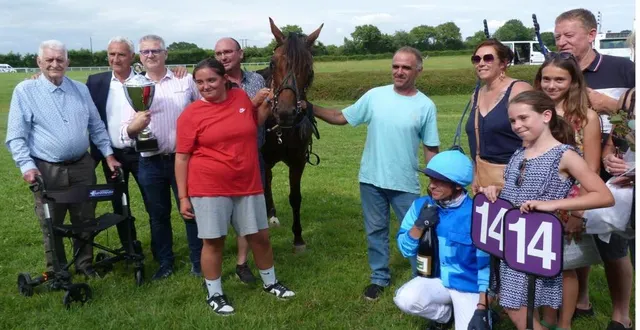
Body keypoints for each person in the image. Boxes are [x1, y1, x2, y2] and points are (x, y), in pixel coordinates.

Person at [309, 46, 441, 301]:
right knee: (375, 231)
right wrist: (310, 108)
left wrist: (435, 181)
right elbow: (340, 117)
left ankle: (421, 281)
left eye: (406, 67)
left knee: (419, 231)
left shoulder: (426, 105)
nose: (399, 72)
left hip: (405, 183)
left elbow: (431, 147)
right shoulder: (375, 96)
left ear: (418, 71)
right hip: (371, 180)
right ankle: (379, 278)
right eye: (395, 66)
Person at [480, 90, 614, 330]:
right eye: (512, 120)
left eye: (523, 118)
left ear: (546, 116)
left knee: (516, 305)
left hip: (537, 243)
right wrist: (495, 191)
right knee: (515, 304)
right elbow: (514, 190)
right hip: (511, 239)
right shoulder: (519, 153)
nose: (517, 125)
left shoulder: (565, 155)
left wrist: (553, 205)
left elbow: (603, 196)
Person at [175, 58, 294, 315]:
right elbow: (182, 157)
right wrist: (183, 197)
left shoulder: (240, 98)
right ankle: (215, 293)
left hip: (247, 183)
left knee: (260, 238)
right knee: (214, 242)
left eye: (211, 80)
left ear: (224, 80)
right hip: (209, 186)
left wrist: (265, 103)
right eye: (200, 82)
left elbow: (252, 123)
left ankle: (270, 282)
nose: (205, 86)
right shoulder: (191, 114)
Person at [5, 40, 121, 278]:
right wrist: (27, 166)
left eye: (60, 59)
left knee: (85, 218)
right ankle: (57, 271)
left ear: (68, 62)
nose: (55, 64)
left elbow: (96, 126)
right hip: (47, 169)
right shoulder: (25, 91)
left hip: (82, 165)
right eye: (49, 60)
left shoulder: (80, 89)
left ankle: (84, 264)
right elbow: (16, 136)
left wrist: (108, 154)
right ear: (39, 62)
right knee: (51, 222)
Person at [555, 9, 635, 329]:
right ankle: (583, 300)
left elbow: (633, 114)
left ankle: (621, 315)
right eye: (557, 35)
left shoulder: (623, 69)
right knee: (576, 239)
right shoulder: (558, 70)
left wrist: (615, 149)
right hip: (574, 174)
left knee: (613, 244)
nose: (561, 41)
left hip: (614, 174)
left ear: (591, 35)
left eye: (568, 35)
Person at [120, 34, 202, 280]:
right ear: (140, 57)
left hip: (183, 159)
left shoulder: (185, 80)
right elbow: (125, 132)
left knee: (190, 211)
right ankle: (165, 262)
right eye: (145, 52)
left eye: (156, 51)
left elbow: (203, 110)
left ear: (165, 54)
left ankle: (198, 261)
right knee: (157, 215)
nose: (151, 55)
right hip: (150, 162)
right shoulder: (132, 87)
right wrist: (136, 126)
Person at [534, 52, 602, 330]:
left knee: (567, 265)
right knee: (539, 261)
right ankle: (547, 318)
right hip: (538, 198)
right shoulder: (535, 113)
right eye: (546, 79)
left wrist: (579, 212)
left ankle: (565, 323)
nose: (551, 85)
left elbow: (592, 171)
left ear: (573, 81)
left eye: (559, 79)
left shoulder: (586, 117)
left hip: (571, 201)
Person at [393, 150, 491, 330]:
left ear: (458, 186)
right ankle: (444, 316)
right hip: (435, 280)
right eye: (431, 179)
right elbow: (405, 249)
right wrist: (419, 226)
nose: (432, 186)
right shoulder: (420, 206)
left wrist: (482, 307)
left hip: (467, 284)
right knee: (405, 298)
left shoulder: (477, 214)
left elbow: (486, 265)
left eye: (439, 181)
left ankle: (483, 312)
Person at [84, 36, 145, 254]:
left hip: (142, 153)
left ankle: (161, 248)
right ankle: (129, 246)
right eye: (112, 54)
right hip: (111, 155)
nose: (116, 59)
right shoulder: (95, 82)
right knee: (120, 203)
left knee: (153, 203)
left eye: (121, 54)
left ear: (132, 56)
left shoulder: (145, 81)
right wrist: (36, 78)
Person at [213, 37, 267, 284]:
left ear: (240, 54)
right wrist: (251, 105)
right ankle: (209, 261)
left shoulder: (257, 80)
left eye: (228, 52)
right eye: (218, 53)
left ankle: (242, 262)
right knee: (221, 213)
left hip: (252, 156)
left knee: (248, 213)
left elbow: (261, 120)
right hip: (221, 158)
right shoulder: (213, 83)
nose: (223, 57)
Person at [465, 39, 532, 192]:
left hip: (517, 178)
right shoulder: (477, 95)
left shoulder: (519, 89)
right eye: (476, 59)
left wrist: (520, 175)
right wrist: (476, 174)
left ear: (503, 63)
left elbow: (535, 136)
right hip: (485, 178)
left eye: (488, 58)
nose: (481, 63)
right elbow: (476, 140)